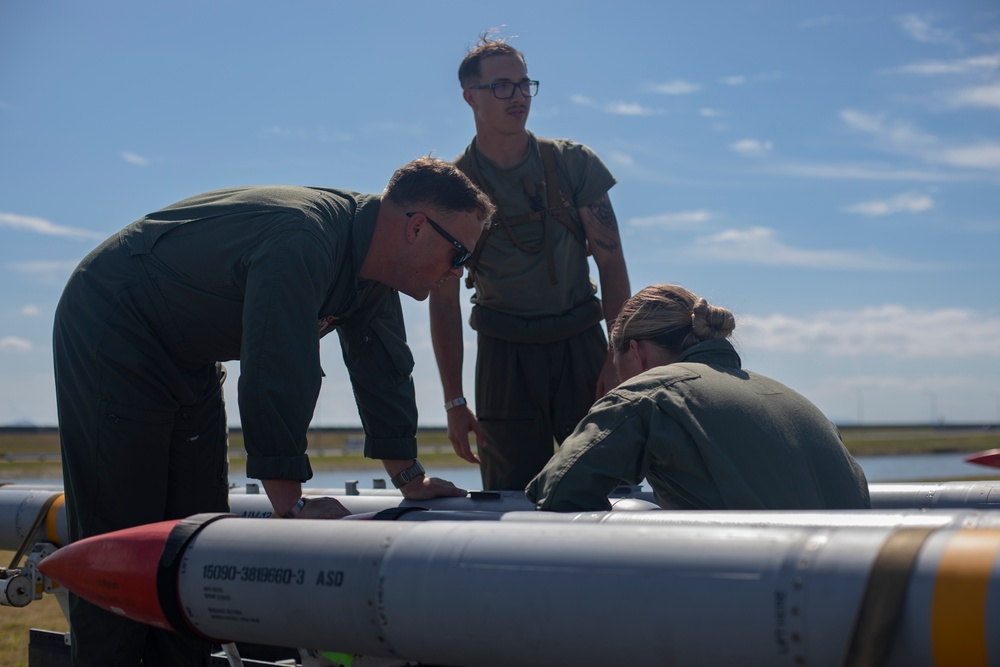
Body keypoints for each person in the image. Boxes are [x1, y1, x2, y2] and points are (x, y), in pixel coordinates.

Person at [52, 157, 494, 666]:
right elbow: (278, 369)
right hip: (114, 326)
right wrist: (293, 508)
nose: (458, 273)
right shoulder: (303, 239)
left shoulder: (373, 264)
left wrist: (410, 479)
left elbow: (384, 369)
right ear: (416, 227)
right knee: (121, 542)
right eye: (457, 253)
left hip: (188, 356)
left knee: (192, 540)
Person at [430, 32, 632, 490]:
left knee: (610, 487)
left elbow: (612, 265)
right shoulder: (453, 187)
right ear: (470, 97)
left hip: (580, 342)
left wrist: (615, 358)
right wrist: (454, 401)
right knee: (510, 495)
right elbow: (443, 300)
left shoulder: (573, 164)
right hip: (505, 355)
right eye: (502, 86)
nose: (518, 96)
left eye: (524, 84)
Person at [526, 284, 871, 512]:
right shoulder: (802, 405)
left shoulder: (648, 394)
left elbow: (558, 491)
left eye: (617, 366)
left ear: (636, 353)